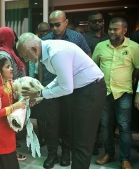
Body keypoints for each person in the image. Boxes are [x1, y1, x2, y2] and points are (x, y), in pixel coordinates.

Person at [16, 32, 107, 169]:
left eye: (26, 56)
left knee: (82, 141)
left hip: (91, 90)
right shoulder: (47, 52)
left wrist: (41, 93)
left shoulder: (56, 53)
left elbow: (66, 87)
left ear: (34, 49)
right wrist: (43, 92)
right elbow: (61, 78)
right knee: (76, 138)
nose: (27, 60)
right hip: (81, 90)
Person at [40, 10, 92, 168]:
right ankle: (52, 154)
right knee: (52, 123)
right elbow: (41, 65)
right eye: (52, 25)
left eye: (58, 24)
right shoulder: (45, 40)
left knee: (68, 122)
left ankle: (66, 153)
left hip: (70, 87)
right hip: (51, 86)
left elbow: (87, 55)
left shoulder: (77, 38)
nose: (55, 28)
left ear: (66, 22)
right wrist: (42, 85)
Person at [93, 17, 139, 169]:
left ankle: (125, 158)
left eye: (115, 29)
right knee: (105, 125)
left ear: (124, 30)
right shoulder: (101, 46)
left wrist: (134, 81)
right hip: (104, 92)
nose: (111, 31)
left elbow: (138, 68)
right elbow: (93, 67)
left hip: (123, 92)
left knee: (124, 126)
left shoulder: (134, 47)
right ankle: (109, 153)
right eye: (110, 29)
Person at [0, 56, 26, 169]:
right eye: (7, 67)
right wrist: (14, 107)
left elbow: (15, 100)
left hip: (8, 128)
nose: (11, 69)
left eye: (11, 66)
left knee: (10, 158)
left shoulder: (9, 84)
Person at [0, 26, 27, 160]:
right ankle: (10, 153)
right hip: (7, 92)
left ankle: (11, 151)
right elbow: (0, 75)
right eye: (12, 37)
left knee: (10, 124)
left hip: (11, 89)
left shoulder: (7, 51)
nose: (13, 40)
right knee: (8, 123)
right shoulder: (1, 53)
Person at [84, 10, 109, 155]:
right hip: (91, 82)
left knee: (105, 116)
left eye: (100, 20)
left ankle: (102, 141)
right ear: (89, 23)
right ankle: (92, 143)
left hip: (109, 83)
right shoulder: (85, 39)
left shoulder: (109, 37)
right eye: (94, 21)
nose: (98, 23)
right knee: (91, 115)